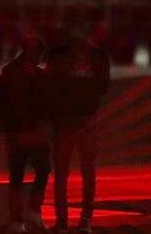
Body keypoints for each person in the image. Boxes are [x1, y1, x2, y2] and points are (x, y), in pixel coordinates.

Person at [46, 20, 110, 233]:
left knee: (62, 174)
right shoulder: (98, 57)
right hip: (87, 118)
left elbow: (50, 85)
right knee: (87, 171)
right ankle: (85, 221)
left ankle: (63, 222)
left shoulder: (57, 55)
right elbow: (103, 87)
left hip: (64, 119)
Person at [0, 36, 52, 233]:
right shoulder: (39, 77)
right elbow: (47, 105)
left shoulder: (8, 74)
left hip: (14, 133)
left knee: (16, 176)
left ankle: (17, 220)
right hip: (32, 132)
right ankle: (32, 210)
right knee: (42, 170)